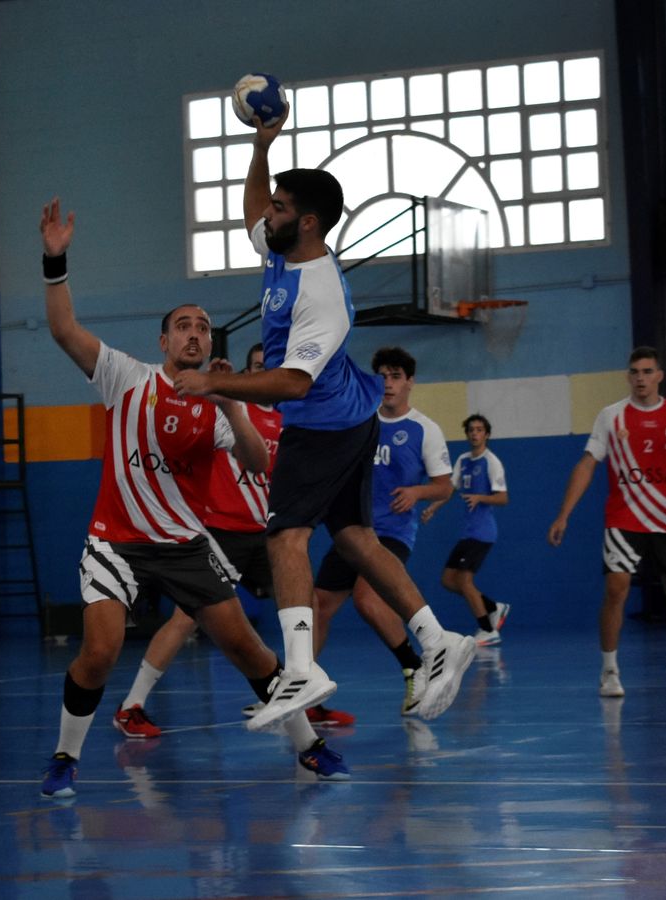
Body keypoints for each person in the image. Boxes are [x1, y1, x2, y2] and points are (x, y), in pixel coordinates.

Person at [172, 111, 476, 732]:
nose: (268, 214)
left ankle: (301, 668)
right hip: (348, 415)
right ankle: (438, 638)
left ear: (307, 222)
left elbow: (292, 383)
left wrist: (213, 383)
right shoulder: (282, 246)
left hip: (325, 422)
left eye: (280, 207)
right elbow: (252, 207)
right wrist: (261, 147)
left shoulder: (322, 294)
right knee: (356, 537)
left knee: (285, 536)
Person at [36, 199, 348, 798]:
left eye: (203, 327)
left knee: (248, 648)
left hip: (185, 545)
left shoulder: (218, 401)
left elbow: (258, 464)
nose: (195, 333)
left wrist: (231, 403)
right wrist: (55, 261)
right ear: (164, 340)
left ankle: (309, 747)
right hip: (117, 541)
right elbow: (63, 330)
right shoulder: (126, 377)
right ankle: (64, 757)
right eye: (184, 325)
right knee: (99, 651)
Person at [113, 343, 355, 738]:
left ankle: (299, 693)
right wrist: (215, 381)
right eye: (255, 367)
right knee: (185, 618)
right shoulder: (229, 408)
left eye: (267, 368)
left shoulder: (287, 420)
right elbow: (196, 398)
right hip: (222, 531)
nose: (261, 373)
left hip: (266, 533)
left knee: (306, 605)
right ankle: (132, 704)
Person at [546, 346, 666, 697]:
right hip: (624, 519)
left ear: (659, 376)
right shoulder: (611, 416)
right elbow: (588, 464)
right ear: (628, 376)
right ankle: (609, 670)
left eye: (648, 371)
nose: (641, 378)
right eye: (635, 372)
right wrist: (564, 514)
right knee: (616, 587)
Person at [309, 347, 453, 716]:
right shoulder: (360, 420)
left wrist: (417, 492)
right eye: (383, 376)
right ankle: (302, 685)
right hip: (352, 529)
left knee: (368, 599)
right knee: (318, 606)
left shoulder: (424, 429)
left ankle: (413, 665)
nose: (388, 383)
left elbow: (444, 486)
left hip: (392, 532)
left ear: (410, 382)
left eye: (396, 376)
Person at [421, 413, 511, 645]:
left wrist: (480, 497)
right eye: (471, 430)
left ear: (486, 434)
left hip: (483, 532)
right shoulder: (463, 460)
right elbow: (449, 490)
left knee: (464, 580)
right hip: (468, 532)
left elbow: (503, 498)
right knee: (448, 580)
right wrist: (433, 508)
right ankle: (493, 607)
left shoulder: (491, 462)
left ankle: (488, 630)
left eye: (479, 430)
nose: (474, 434)